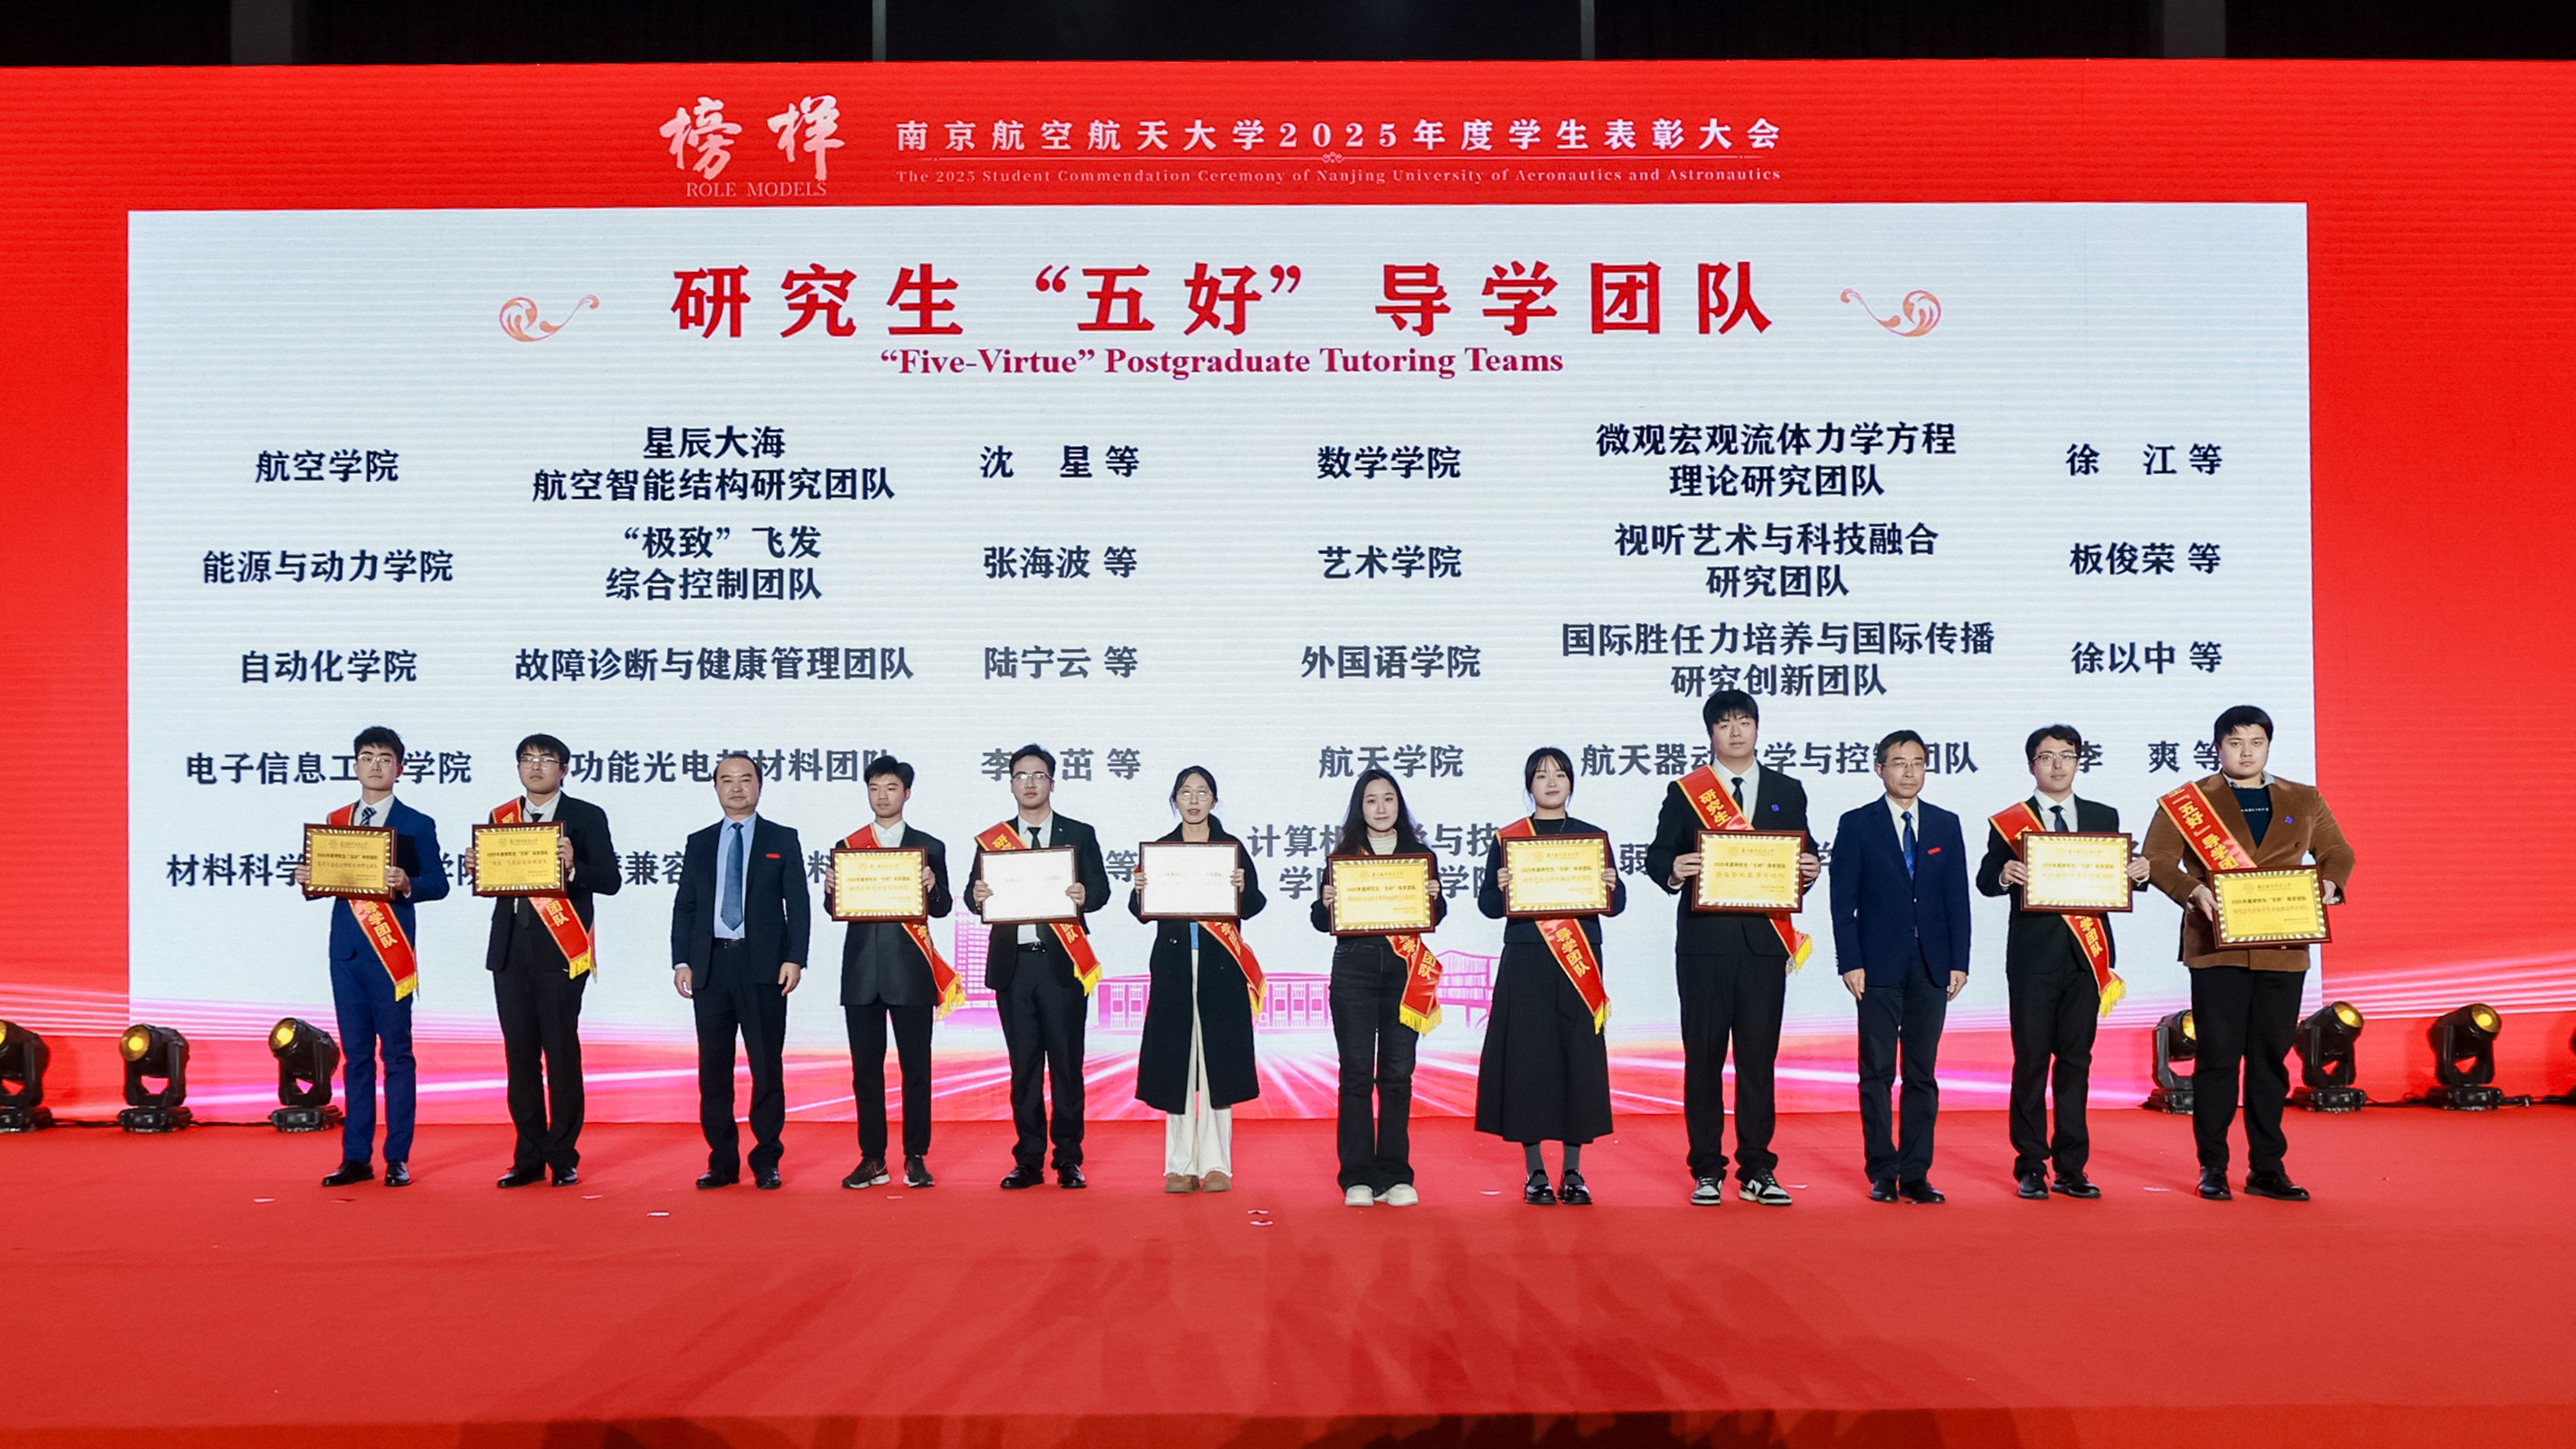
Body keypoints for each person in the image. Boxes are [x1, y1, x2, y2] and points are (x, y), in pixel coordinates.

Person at [2142, 705, 2354, 1203]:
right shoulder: (2188, 802)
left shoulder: (2303, 797)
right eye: (2235, 743)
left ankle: (2267, 1168)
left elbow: (2337, 851)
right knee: (2217, 1059)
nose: (2246, 753)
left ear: (2268, 746)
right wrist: (2192, 890)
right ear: (2218, 747)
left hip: (2283, 946)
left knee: (2269, 1061)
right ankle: (2213, 1167)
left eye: (2256, 743)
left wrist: (2329, 884)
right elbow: (2156, 860)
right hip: (2217, 948)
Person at [1644, 689, 1820, 1207]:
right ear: (1711, 733)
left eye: (1744, 721)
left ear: (1758, 728)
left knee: (1758, 1062)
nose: (1736, 731)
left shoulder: (1788, 790)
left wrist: (1809, 870)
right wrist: (1674, 869)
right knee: (1703, 1061)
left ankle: (1758, 1168)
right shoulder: (1687, 792)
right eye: (1725, 724)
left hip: (1764, 947)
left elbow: (1802, 854)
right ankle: (1706, 1169)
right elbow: (1657, 855)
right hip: (1704, 948)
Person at [1975, 724, 2149, 1201]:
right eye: (2046, 756)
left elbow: (2118, 873)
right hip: (2033, 960)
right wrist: (2005, 873)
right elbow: (1985, 881)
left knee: (2076, 1062)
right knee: (2031, 1062)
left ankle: (2073, 1167)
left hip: (2086, 960)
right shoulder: (2010, 821)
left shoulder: (2102, 815)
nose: (2057, 765)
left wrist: (2139, 872)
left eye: (2066, 755)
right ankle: (2031, 1165)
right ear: (2031, 764)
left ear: (2078, 762)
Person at [297, 725, 449, 1188]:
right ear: (356, 765)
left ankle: (397, 1156)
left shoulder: (416, 823)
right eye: (367, 757)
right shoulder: (336, 820)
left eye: (385, 758)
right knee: (357, 1057)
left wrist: (408, 884)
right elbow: (324, 882)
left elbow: (439, 884)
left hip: (390, 951)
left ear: (399, 768)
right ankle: (355, 1157)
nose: (376, 765)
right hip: (347, 953)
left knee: (397, 1056)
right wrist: (308, 879)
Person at [1476, 747, 1627, 1205]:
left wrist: (1611, 885)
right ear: (1529, 785)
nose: (1552, 782)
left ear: (1571, 782)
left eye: (1560, 774)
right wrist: (1500, 888)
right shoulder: (1509, 839)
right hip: (1527, 960)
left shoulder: (1592, 837)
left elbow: (1617, 904)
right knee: (1529, 1062)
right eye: (1541, 776)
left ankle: (1574, 1171)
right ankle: (1536, 1172)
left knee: (1577, 1058)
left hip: (1579, 961)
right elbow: (1487, 906)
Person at [469, 733, 620, 1189]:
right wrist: (479, 868)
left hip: (560, 951)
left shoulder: (587, 816)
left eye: (546, 759)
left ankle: (563, 1155)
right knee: (520, 1058)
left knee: (560, 1053)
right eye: (527, 759)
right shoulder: (501, 818)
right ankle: (529, 1157)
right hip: (509, 951)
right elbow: (501, 882)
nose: (535, 766)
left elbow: (610, 880)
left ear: (564, 769)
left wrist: (573, 866)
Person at [1827, 730, 1970, 1205]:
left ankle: (1916, 1173)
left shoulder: (1946, 824)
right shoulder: (1857, 824)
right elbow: (1841, 902)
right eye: (1900, 763)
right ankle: (1882, 1171)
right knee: (1877, 1072)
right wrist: (1850, 961)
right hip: (1876, 967)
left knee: (1922, 1073)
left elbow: (1957, 900)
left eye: (1918, 763)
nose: (1910, 772)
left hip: (1932, 965)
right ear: (1879, 769)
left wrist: (1959, 961)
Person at [967, 743, 1112, 1190]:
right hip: (1014, 968)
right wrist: (977, 897)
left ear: (1052, 782)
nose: (1029, 783)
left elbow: (1101, 890)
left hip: (1062, 968)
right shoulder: (993, 840)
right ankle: (1028, 1159)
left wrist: (1085, 895)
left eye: (1038, 775)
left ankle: (1068, 1158)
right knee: (1024, 1068)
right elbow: (974, 897)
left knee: (1067, 1066)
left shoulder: (1078, 833)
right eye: (1020, 776)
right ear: (1011, 784)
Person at [670, 753, 809, 1190]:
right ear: (715, 787)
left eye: (745, 779)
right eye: (726, 780)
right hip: (710, 966)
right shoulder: (699, 842)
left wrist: (795, 957)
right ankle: (722, 1161)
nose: (736, 788)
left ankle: (767, 1159)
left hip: (764, 966)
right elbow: (686, 905)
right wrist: (682, 960)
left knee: (766, 1066)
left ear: (759, 786)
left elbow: (798, 904)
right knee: (714, 1069)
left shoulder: (781, 838)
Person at [1312, 768, 1448, 1207]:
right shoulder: (1343, 857)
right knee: (1355, 1074)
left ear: (1399, 805)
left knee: (1396, 1074)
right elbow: (1320, 920)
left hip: (1404, 973)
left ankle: (1394, 1175)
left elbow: (1436, 915)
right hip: (1354, 969)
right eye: (1371, 800)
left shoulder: (1419, 856)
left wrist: (1434, 897)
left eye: (1389, 798)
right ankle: (1356, 1176)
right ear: (1360, 808)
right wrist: (1326, 904)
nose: (1381, 807)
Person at [1129, 766, 1266, 1193]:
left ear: (1214, 800)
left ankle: (1217, 1164)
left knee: (1216, 1065)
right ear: (1175, 800)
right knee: (1177, 1064)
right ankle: (1180, 1165)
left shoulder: (1231, 848)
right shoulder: (1161, 850)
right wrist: (1140, 889)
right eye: (1185, 792)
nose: (1193, 800)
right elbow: (1140, 911)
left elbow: (1254, 904)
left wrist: (1242, 888)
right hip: (1173, 966)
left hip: (1220, 966)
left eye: (1202, 792)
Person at [829, 756, 956, 1192]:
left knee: (916, 1070)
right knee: (865, 1072)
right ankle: (873, 1158)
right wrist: (831, 891)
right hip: (861, 974)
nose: (882, 796)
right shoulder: (849, 845)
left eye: (890, 788)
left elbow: (943, 908)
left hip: (911, 973)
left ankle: (915, 1156)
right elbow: (836, 909)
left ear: (907, 793)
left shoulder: (929, 846)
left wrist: (932, 887)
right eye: (874, 788)